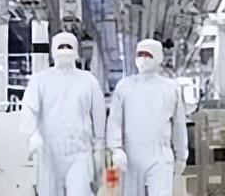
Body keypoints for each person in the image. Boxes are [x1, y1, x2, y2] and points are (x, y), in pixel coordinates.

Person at [19, 32, 107, 196]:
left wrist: (99, 147)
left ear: (76, 50)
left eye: (69, 46)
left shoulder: (89, 81)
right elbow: (29, 109)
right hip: (48, 153)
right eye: (61, 46)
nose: (65, 50)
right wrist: (32, 135)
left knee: (80, 192)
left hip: (79, 152)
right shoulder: (40, 81)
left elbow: (99, 115)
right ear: (53, 50)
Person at [107, 39, 188, 196]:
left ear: (158, 57)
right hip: (131, 158)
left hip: (160, 156)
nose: (143, 59)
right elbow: (115, 121)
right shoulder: (124, 87)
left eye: (148, 55)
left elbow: (178, 125)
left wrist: (181, 155)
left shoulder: (171, 88)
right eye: (140, 55)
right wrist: (116, 149)